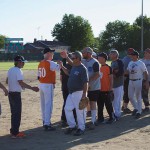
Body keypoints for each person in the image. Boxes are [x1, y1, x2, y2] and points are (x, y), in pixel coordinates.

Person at [6, 55, 39, 138]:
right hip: (16, 94)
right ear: (19, 62)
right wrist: (32, 88)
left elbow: (7, 81)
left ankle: (13, 130)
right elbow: (20, 82)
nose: (23, 64)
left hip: (10, 93)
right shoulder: (18, 71)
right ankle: (15, 133)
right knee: (17, 113)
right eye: (23, 62)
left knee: (14, 113)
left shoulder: (10, 69)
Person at [59, 51, 89, 136]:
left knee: (80, 111)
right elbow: (68, 73)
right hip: (71, 93)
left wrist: (84, 94)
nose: (72, 59)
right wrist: (62, 66)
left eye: (73, 58)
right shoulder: (74, 67)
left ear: (78, 59)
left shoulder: (82, 68)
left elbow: (86, 82)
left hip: (79, 92)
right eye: (72, 58)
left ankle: (81, 128)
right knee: (67, 109)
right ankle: (72, 126)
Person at [38, 47, 60, 131]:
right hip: (47, 85)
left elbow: (38, 76)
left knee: (43, 104)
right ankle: (47, 124)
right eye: (51, 53)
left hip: (41, 84)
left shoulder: (40, 63)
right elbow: (59, 68)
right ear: (47, 54)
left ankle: (45, 121)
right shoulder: (50, 63)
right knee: (48, 104)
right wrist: (60, 63)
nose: (52, 54)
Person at [82, 47, 100, 129]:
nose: (83, 53)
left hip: (94, 86)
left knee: (92, 102)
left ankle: (93, 120)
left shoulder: (95, 62)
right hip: (85, 86)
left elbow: (97, 74)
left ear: (89, 53)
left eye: (84, 52)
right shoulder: (83, 61)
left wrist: (89, 83)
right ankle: (83, 121)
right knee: (85, 103)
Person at [126, 50, 149, 118]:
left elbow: (145, 72)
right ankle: (136, 108)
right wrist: (124, 72)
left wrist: (146, 81)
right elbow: (128, 70)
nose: (131, 56)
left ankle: (139, 112)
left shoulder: (140, 63)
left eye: (133, 55)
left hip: (138, 81)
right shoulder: (130, 62)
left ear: (136, 56)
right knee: (130, 96)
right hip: (131, 81)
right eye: (131, 55)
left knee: (138, 96)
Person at [97, 52, 115, 124]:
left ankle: (112, 117)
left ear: (104, 59)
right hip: (100, 90)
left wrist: (110, 89)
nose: (98, 59)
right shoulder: (99, 67)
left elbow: (111, 79)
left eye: (99, 58)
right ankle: (100, 118)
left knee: (108, 105)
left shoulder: (108, 67)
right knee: (100, 105)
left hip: (107, 90)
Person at [60, 54, 77, 127]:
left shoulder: (65, 66)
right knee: (73, 104)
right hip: (71, 88)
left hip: (64, 87)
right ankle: (73, 119)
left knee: (66, 103)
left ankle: (64, 119)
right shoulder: (74, 67)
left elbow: (61, 78)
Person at [109, 50, 124, 120]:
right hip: (113, 84)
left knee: (117, 100)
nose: (110, 55)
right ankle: (115, 113)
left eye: (111, 54)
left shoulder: (119, 62)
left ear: (115, 55)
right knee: (113, 100)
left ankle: (117, 114)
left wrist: (115, 74)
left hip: (118, 83)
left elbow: (121, 72)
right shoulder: (112, 62)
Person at [121, 48, 134, 114]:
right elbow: (126, 71)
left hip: (125, 78)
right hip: (127, 78)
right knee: (128, 93)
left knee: (126, 92)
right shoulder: (128, 60)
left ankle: (124, 106)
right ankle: (125, 108)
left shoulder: (124, 59)